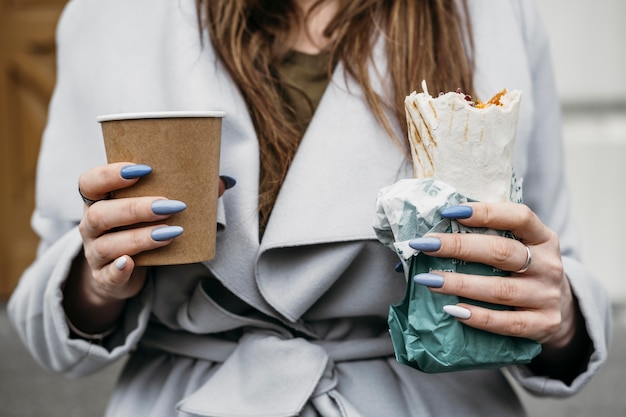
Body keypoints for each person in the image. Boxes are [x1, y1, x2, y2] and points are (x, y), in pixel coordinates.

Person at [8, 0, 612, 416]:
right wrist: (95, 282)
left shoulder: (490, 13)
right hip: (194, 397)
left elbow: (558, 266)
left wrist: (554, 313)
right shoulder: (111, 16)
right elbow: (50, 304)